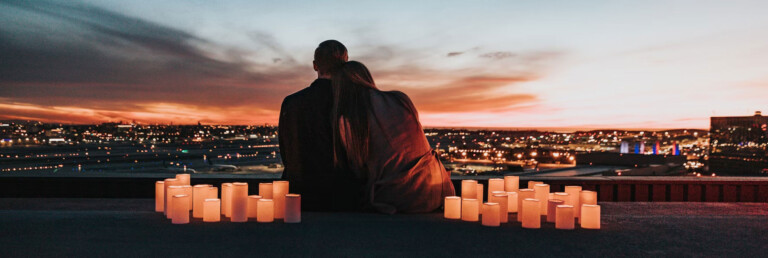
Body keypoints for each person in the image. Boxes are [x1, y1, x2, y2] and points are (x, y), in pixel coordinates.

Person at [332, 61, 455, 214]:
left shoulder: (350, 120)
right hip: (438, 190)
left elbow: (358, 169)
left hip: (399, 198)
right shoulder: (401, 99)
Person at [279, 40, 362, 211]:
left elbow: (287, 153)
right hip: (342, 197)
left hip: (298, 195)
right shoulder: (352, 102)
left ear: (315, 66)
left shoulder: (291, 103)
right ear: (345, 66)